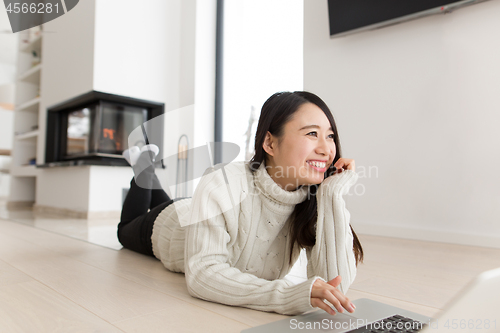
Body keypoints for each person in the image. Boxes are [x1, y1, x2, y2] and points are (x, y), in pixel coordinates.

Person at [117, 91, 364, 316]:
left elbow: (336, 286)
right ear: (270, 143)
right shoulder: (222, 180)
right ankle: (143, 166)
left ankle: (146, 164)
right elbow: (203, 275)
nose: (326, 149)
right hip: (167, 225)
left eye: (330, 136)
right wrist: (287, 295)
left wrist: (332, 196)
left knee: (168, 199)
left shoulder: (314, 198)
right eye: (312, 133)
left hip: (194, 208)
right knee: (124, 229)